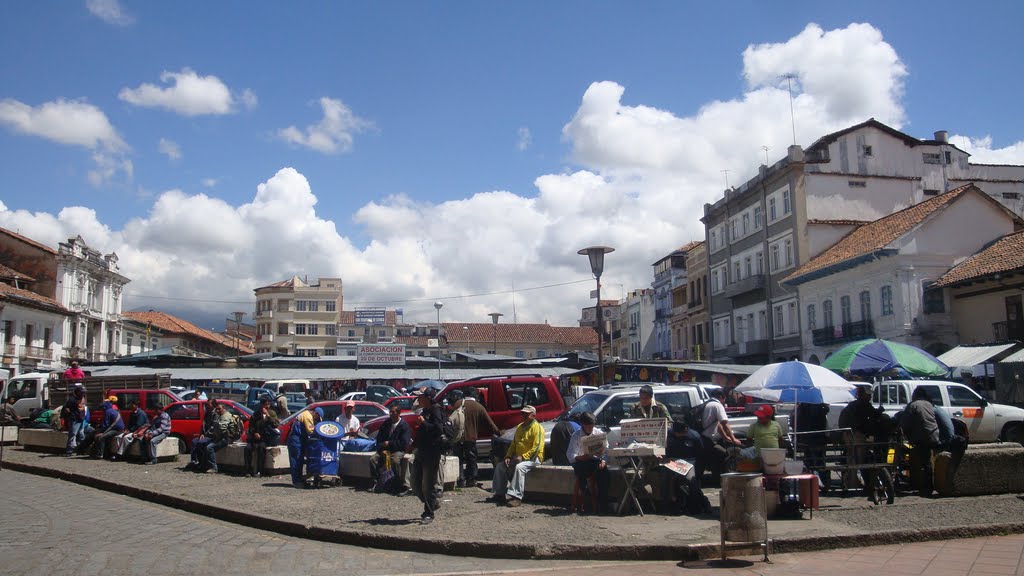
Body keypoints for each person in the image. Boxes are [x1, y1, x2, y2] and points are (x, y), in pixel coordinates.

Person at [489, 405, 544, 507]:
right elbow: (514, 444)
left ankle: (517, 497)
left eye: (526, 414)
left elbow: (536, 448)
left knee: (519, 468)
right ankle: (499, 494)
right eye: (522, 413)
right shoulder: (519, 427)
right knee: (501, 466)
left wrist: (523, 457)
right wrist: (508, 456)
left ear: (533, 416)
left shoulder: (538, 428)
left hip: (533, 458)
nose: (523, 416)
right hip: (518, 457)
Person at [838, 385, 884, 489]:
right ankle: (852, 482)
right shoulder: (862, 405)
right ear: (863, 395)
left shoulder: (855, 405)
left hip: (849, 433)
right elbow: (870, 415)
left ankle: (852, 481)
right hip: (855, 434)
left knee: (853, 459)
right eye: (868, 395)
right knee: (857, 459)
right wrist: (879, 412)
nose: (870, 397)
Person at [662, 417, 711, 515]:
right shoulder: (669, 434)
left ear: (685, 429)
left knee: (691, 480)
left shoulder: (694, 437)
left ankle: (700, 504)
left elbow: (701, 455)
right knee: (666, 478)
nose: (678, 435)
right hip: (672, 460)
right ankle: (670, 504)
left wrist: (699, 472)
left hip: (690, 461)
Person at [410, 390, 445, 524]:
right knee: (415, 482)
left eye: (421, 397)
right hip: (421, 450)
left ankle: (428, 513)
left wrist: (424, 422)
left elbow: (438, 429)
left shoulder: (436, 410)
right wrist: (414, 445)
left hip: (432, 451)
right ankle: (433, 502)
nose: (419, 399)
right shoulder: (425, 411)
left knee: (428, 484)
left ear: (428, 398)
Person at [565, 412, 609, 514]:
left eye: (591, 426)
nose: (590, 428)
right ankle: (586, 500)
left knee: (604, 474)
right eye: (587, 426)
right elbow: (570, 454)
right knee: (582, 472)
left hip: (596, 461)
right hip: (581, 462)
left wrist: (604, 461)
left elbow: (606, 450)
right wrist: (580, 457)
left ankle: (602, 504)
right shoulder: (576, 436)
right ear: (582, 425)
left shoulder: (598, 433)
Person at [457, 387, 500, 488]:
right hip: (471, 437)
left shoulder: (458, 404)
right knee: (471, 459)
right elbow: (489, 424)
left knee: (459, 459)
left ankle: (460, 480)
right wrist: (499, 432)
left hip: (458, 437)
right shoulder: (478, 407)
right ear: (474, 395)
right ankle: (471, 480)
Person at [901, 387, 940, 497]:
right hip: (934, 435)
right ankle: (925, 485)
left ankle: (926, 487)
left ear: (916, 395)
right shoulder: (928, 404)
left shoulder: (913, 405)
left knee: (924, 461)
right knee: (927, 460)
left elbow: (905, 423)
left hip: (923, 437)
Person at [697, 388, 740, 484]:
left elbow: (717, 424)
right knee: (723, 454)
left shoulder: (707, 404)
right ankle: (719, 480)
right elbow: (724, 423)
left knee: (706, 459)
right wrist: (733, 438)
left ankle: (705, 479)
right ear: (721, 397)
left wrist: (725, 437)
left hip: (701, 438)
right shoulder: (717, 405)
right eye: (724, 398)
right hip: (707, 440)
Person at [370, 403, 412, 494]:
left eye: (393, 412)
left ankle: (397, 484)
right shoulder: (387, 423)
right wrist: (381, 446)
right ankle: (377, 482)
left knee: (395, 461)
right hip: (385, 449)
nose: (391, 414)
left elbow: (404, 443)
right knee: (373, 459)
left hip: (397, 450)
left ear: (398, 413)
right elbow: (380, 437)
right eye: (390, 412)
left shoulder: (404, 426)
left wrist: (390, 443)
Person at [245, 397, 280, 478]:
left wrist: (268, 416)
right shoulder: (256, 414)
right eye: (264, 405)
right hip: (255, 437)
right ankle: (248, 470)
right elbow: (251, 426)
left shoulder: (272, 413)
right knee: (248, 448)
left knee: (261, 448)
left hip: (266, 437)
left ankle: (260, 471)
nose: (266, 406)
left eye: (268, 404)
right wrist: (254, 433)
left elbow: (275, 424)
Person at [287, 406, 316, 488]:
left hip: (298, 439)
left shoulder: (304, 413)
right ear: (316, 413)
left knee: (299, 460)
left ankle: (299, 479)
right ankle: (297, 481)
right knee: (296, 460)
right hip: (296, 439)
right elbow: (310, 430)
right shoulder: (308, 416)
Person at [62, 385, 87, 456]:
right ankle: (69, 451)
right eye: (82, 392)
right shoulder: (72, 399)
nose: (83, 393)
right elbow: (66, 408)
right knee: (72, 435)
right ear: (78, 392)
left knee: (81, 435)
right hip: (74, 419)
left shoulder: (82, 398)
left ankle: (81, 450)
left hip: (81, 419)